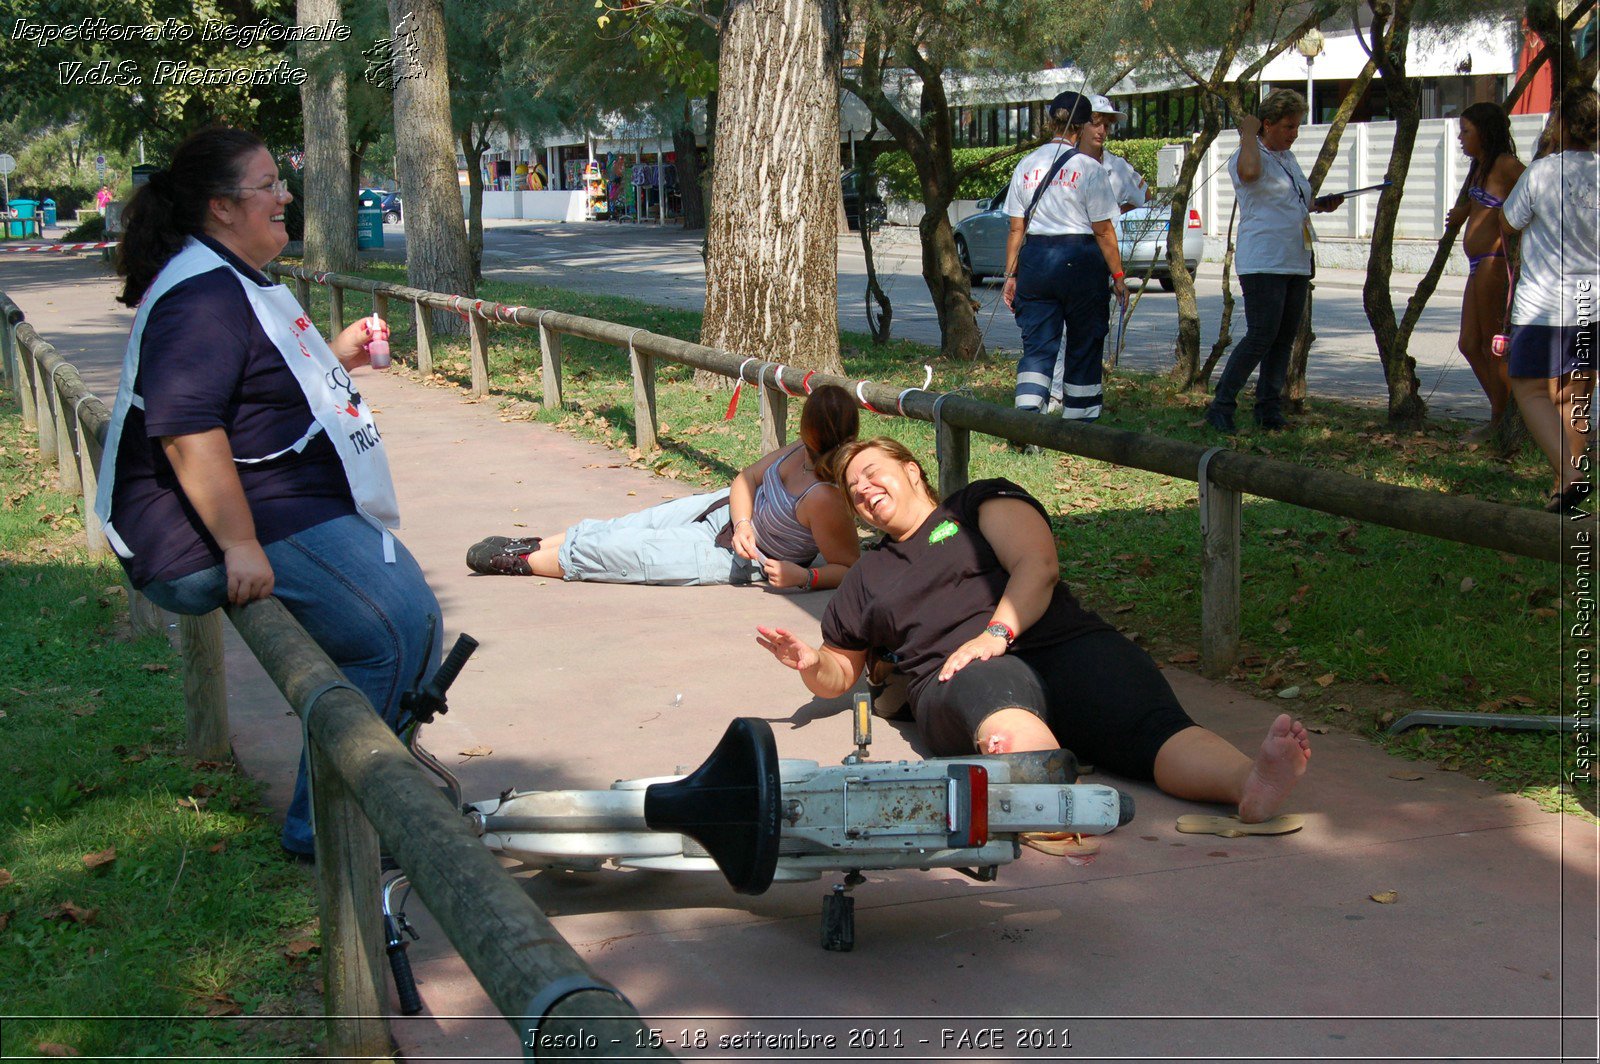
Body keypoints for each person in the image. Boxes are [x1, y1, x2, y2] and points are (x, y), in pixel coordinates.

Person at [95, 126, 438, 861]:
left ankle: (364, 806)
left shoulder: (230, 274)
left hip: (280, 496)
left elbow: (252, 382)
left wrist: (336, 355)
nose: (286, 196)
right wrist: (239, 544)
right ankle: (334, 829)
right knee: (394, 627)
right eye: (268, 185)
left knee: (407, 625)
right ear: (221, 208)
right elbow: (187, 433)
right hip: (217, 528)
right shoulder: (202, 296)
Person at [757, 437, 1311, 825]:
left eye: (871, 472)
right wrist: (811, 665)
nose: (862, 489)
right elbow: (839, 673)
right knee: (997, 702)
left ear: (910, 469)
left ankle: (1249, 782)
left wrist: (995, 632)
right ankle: (1053, 807)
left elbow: (1037, 566)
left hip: (1059, 641)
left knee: (1151, 726)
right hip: (957, 676)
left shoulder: (977, 502)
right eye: (852, 489)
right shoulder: (866, 576)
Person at [466, 384, 861, 588]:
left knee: (629, 555)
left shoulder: (825, 496)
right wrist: (742, 523)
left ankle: (523, 564)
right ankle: (533, 545)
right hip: (724, 514)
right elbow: (746, 478)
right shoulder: (799, 450)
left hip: (742, 559)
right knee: (628, 526)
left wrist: (804, 577)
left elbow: (848, 567)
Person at [1205, 90, 1344, 434]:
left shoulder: (1288, 158)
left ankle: (1268, 409)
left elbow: (1290, 201)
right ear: (1267, 124)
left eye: (1296, 127)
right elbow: (1250, 176)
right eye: (1287, 127)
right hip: (1263, 261)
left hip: (1295, 259)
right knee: (1261, 336)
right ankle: (1221, 404)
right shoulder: (1250, 153)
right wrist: (1248, 133)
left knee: (1283, 340)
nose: (1293, 134)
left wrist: (1319, 205)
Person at [1002, 90, 1129, 423]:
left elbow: (1017, 229)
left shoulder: (1025, 165)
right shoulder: (1089, 168)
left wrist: (1010, 276)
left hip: (1035, 260)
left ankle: (1027, 422)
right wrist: (1118, 276)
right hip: (1081, 260)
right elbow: (1103, 231)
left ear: (1050, 121)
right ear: (1082, 125)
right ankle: (1080, 421)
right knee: (1084, 343)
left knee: (1039, 348)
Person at [1501, 88, 1600, 513]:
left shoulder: (1542, 172)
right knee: (1575, 396)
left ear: (1559, 124)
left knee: (1529, 389)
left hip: (1543, 302)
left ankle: (1572, 475)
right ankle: (1565, 487)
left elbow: (1508, 221)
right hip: (1592, 301)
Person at [1047, 93, 1148, 412]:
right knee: (1059, 330)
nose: (1102, 130)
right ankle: (1054, 394)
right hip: (1062, 257)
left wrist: (1112, 213)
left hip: (1098, 260)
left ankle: (1083, 399)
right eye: (1095, 122)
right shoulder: (1062, 161)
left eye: (1106, 124)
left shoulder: (1117, 167)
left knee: (1090, 332)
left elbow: (1142, 198)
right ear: (1079, 125)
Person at [1445, 102, 1524, 438]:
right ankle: (1501, 413)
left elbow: (1532, 195)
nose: (1460, 137)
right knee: (1468, 342)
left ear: (1485, 132)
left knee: (1493, 345)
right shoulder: (1480, 166)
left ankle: (1500, 422)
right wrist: (1465, 211)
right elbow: (1483, 204)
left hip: (1494, 264)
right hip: (1476, 265)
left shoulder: (1506, 165)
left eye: (1466, 131)